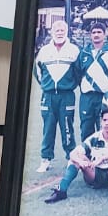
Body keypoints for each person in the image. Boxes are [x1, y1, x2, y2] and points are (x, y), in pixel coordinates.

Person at [43, 107, 108, 203]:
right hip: (94, 174)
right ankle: (61, 191)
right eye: (104, 120)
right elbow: (72, 153)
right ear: (101, 121)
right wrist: (80, 162)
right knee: (76, 158)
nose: (106, 123)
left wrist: (102, 158)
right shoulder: (95, 137)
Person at [33, 20, 83, 173]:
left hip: (66, 96)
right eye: (57, 30)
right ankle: (45, 159)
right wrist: (47, 85)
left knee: (67, 127)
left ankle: (71, 158)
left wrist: (68, 85)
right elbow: (38, 72)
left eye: (62, 30)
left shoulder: (74, 50)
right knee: (48, 128)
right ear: (52, 32)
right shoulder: (44, 51)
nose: (60, 33)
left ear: (66, 31)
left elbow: (78, 73)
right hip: (48, 96)